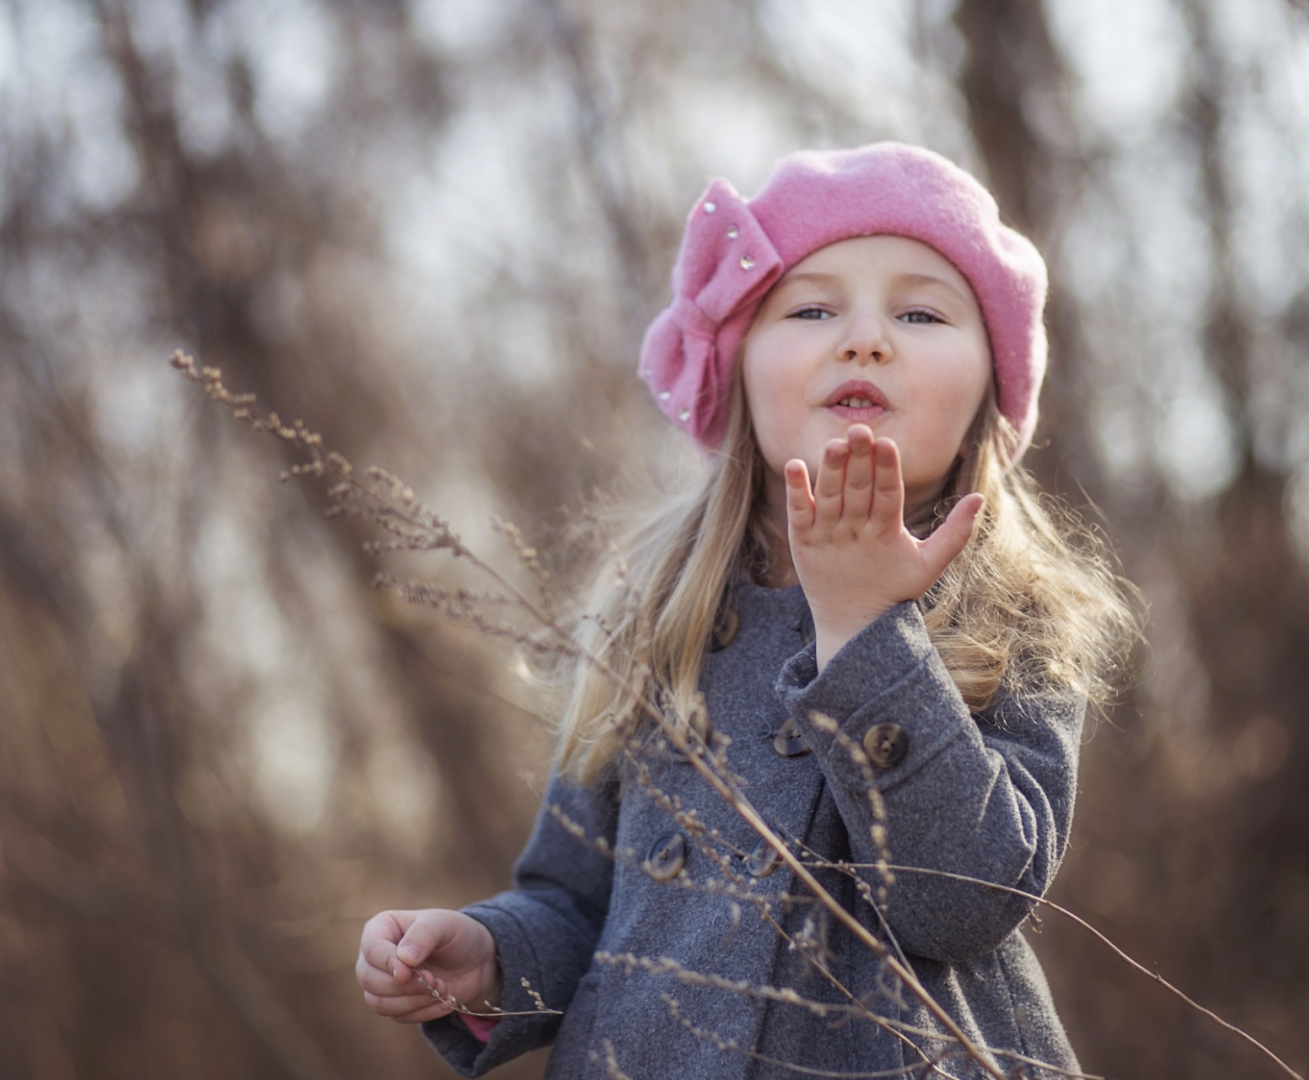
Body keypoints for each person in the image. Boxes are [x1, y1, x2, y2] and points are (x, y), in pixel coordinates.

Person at [355, 143, 1138, 1078]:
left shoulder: (1015, 615)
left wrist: (862, 629)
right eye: (811, 308)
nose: (865, 338)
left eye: (921, 311)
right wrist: (488, 961)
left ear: (987, 393)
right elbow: (578, 905)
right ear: (736, 371)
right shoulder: (656, 617)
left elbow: (963, 904)